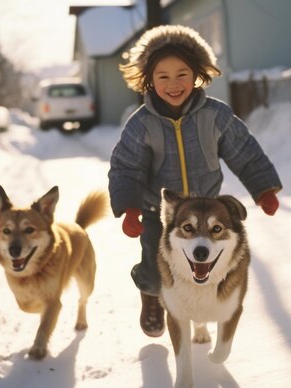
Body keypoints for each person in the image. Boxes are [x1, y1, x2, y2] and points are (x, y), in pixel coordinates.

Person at [108, 25, 282, 337]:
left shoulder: (215, 115)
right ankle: (150, 296)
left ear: (197, 74)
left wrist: (263, 188)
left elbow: (244, 150)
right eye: (163, 76)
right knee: (154, 267)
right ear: (149, 80)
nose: (174, 84)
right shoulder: (141, 124)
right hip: (157, 213)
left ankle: (199, 313)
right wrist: (130, 208)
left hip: (204, 211)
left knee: (204, 267)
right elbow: (126, 167)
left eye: (182, 74)